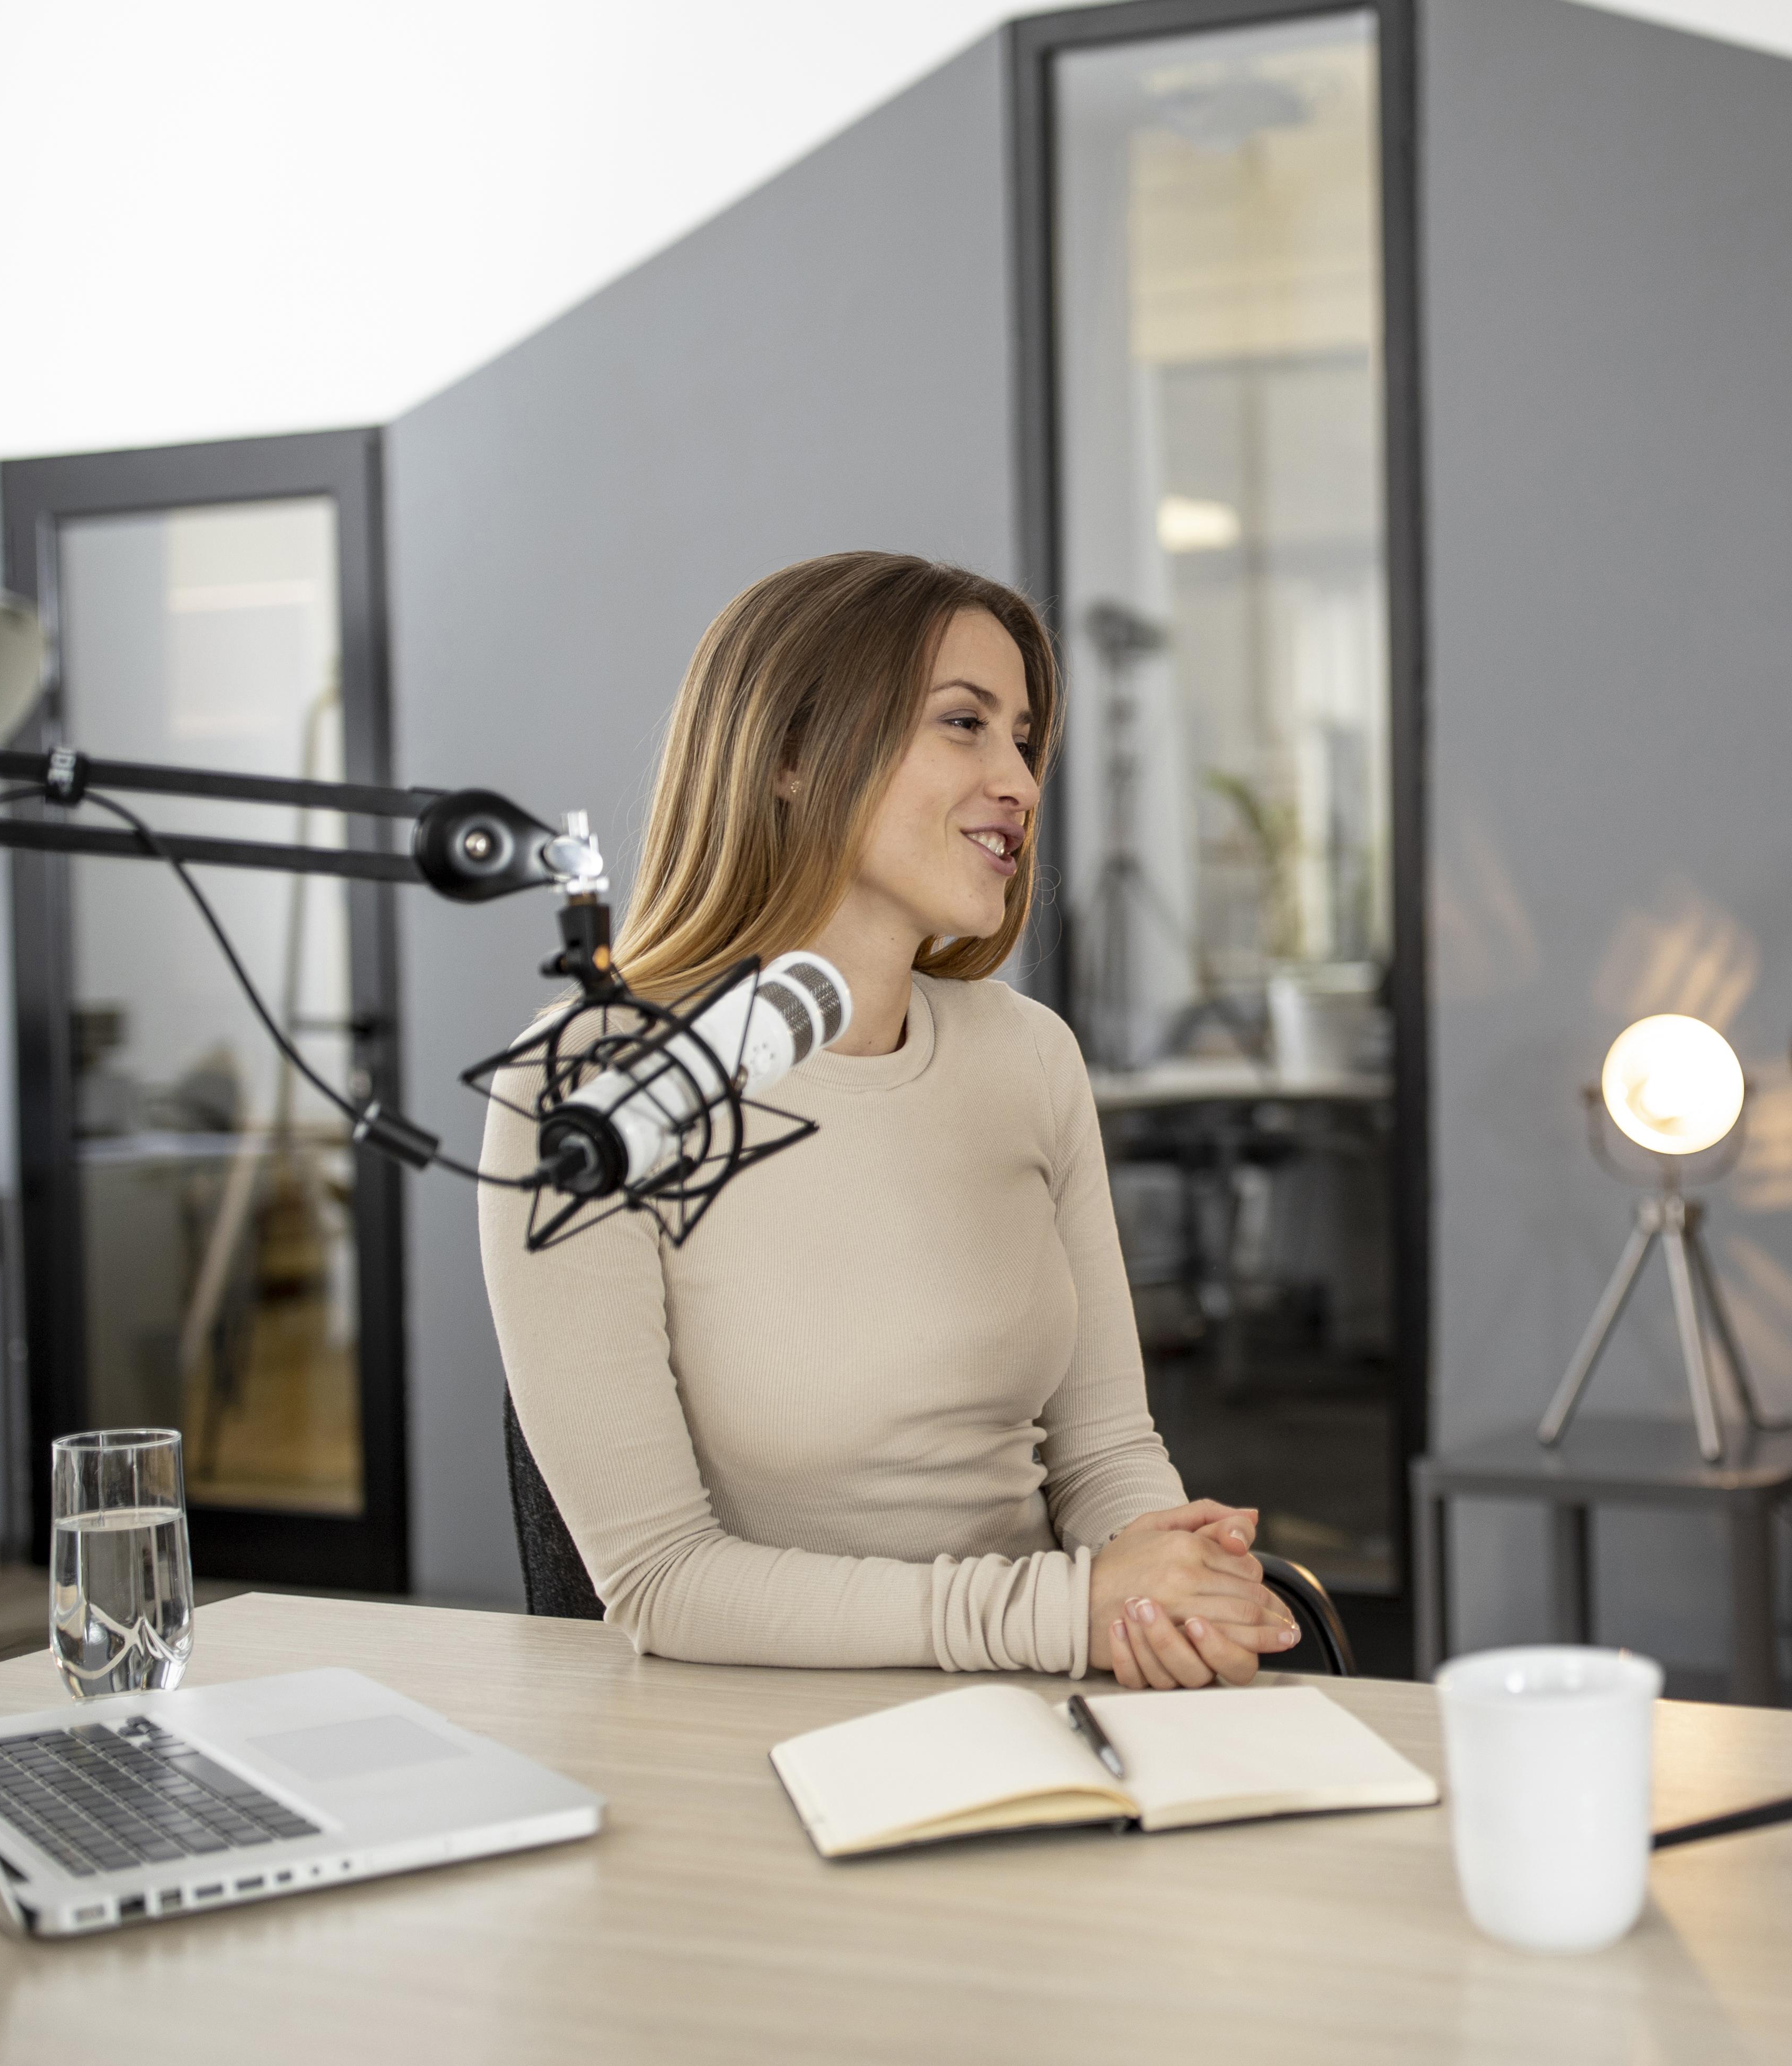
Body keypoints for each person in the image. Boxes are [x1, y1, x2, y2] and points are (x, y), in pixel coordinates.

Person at [481, 552, 1298, 1688]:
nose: (1016, 778)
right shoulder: (594, 1089)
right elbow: (661, 1579)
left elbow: (1106, 1449)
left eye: (1022, 737)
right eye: (963, 723)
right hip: (755, 1759)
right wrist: (1069, 1611)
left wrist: (1166, 1591)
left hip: (1044, 1715)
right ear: (787, 756)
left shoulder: (1028, 1056)